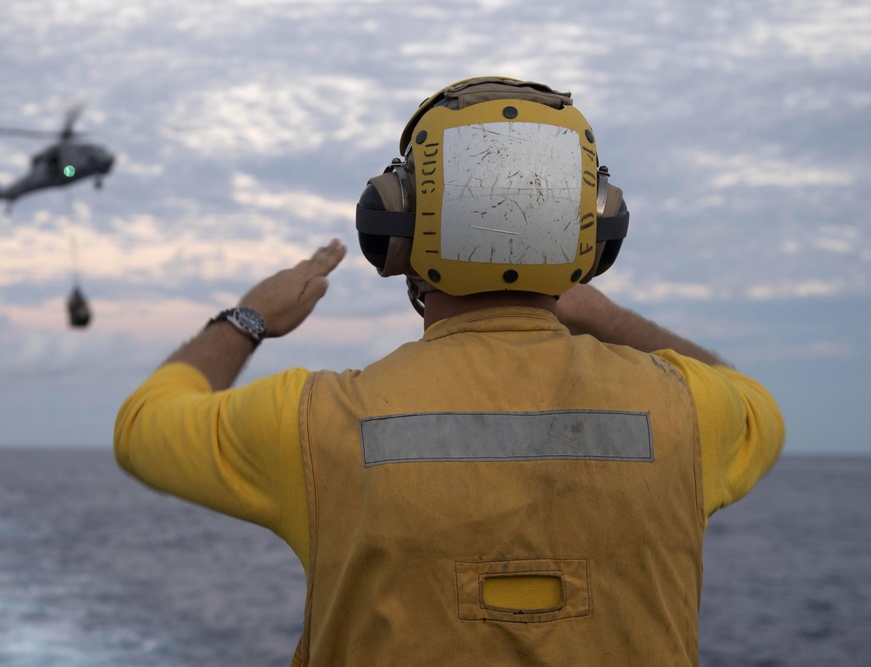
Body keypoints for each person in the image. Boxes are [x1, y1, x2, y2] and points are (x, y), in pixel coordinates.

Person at [115, 77, 784, 666]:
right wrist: (602, 316)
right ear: (597, 232)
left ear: (394, 225)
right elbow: (751, 399)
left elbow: (145, 424)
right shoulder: (688, 411)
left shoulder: (316, 420)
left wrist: (250, 316)